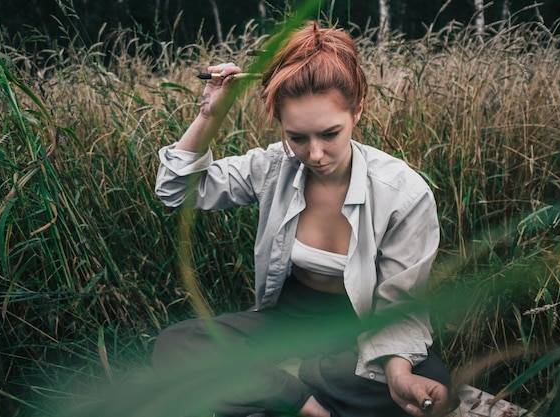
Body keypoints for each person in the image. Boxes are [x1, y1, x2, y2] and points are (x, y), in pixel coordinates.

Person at [152, 21, 451, 417]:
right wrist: (210, 113)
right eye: (297, 137)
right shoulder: (274, 166)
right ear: (280, 125)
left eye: (330, 134)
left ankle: (272, 388)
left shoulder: (404, 193)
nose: (315, 155)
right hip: (285, 328)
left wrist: (398, 374)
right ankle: (304, 401)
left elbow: (400, 305)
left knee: (430, 379)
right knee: (177, 344)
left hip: (362, 337)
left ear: (357, 109)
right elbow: (175, 188)